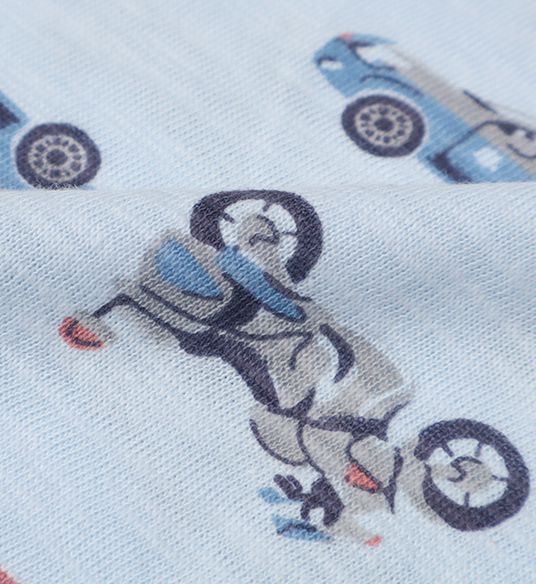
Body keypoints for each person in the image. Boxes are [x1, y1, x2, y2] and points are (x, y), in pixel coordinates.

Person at [60, 190, 409, 542]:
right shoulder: (274, 317)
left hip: (254, 342)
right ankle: (257, 240)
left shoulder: (297, 375)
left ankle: (256, 241)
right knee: (274, 327)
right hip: (257, 336)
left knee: (268, 335)